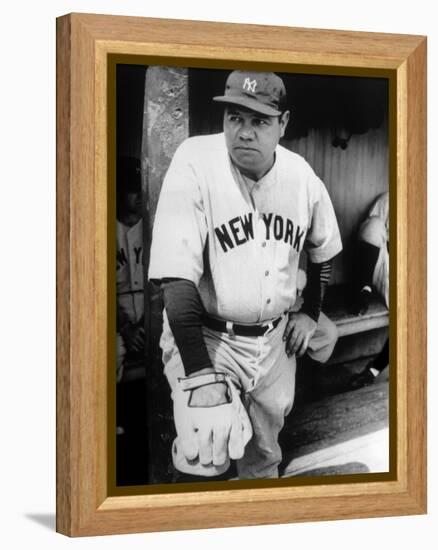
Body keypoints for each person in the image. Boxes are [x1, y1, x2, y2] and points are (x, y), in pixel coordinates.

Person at [149, 71, 342, 480]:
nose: (245, 132)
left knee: (263, 459)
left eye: (259, 121)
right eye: (235, 117)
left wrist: (311, 313)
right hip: (208, 335)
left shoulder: (302, 176)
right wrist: (201, 376)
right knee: (204, 450)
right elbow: (176, 278)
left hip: (273, 344)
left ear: (283, 124)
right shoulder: (195, 161)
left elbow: (323, 250)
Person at [349, 192, 389, 389]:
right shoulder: (389, 198)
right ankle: (363, 290)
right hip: (385, 264)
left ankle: (373, 370)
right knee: (374, 224)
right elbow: (368, 235)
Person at [116, 156, 145, 383]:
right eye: (131, 190)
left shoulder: (152, 227)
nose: (138, 196)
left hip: (149, 321)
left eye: (140, 188)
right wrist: (125, 328)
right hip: (115, 324)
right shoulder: (101, 227)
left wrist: (147, 325)